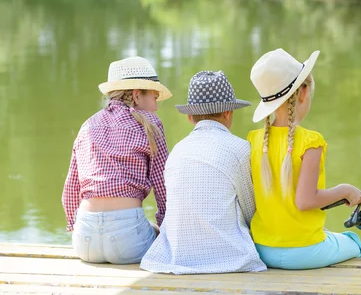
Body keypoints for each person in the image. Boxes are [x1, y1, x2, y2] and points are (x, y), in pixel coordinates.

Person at [247, 48, 361, 270]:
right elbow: (305, 201)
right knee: (354, 242)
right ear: (303, 93)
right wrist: (345, 190)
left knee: (329, 237)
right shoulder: (311, 142)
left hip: (262, 249)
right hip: (304, 252)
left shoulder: (254, 141)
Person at [140, 71, 266, 274]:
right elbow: (251, 211)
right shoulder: (240, 149)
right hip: (230, 258)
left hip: (178, 256)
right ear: (228, 113)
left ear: (190, 117)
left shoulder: (178, 151)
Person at [61, 56, 170, 264]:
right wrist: (167, 231)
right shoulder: (151, 123)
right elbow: (163, 188)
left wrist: (75, 226)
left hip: (84, 242)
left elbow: (70, 189)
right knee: (155, 233)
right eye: (154, 98)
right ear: (137, 95)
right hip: (128, 240)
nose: (156, 107)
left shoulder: (88, 125)